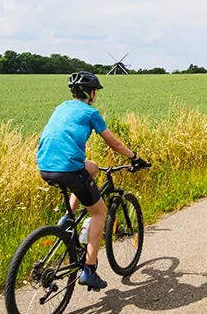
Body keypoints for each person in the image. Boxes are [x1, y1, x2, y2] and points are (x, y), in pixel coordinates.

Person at [36, 71, 149, 290]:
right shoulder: (91, 112)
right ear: (92, 93)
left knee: (93, 168)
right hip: (69, 168)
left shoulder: (61, 107)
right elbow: (114, 144)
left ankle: (67, 220)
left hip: (45, 166)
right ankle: (89, 269)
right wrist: (135, 158)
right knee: (99, 212)